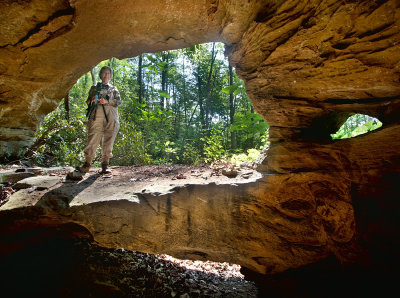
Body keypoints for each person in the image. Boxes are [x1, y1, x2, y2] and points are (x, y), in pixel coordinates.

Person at [78, 66, 121, 174]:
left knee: (109, 136)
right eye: (104, 73)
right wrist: (92, 100)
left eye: (108, 73)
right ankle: (87, 163)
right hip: (96, 113)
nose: (106, 75)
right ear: (101, 74)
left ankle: (105, 164)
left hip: (110, 114)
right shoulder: (94, 88)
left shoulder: (114, 89)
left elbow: (118, 102)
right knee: (93, 136)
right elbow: (87, 102)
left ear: (110, 76)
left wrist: (107, 101)